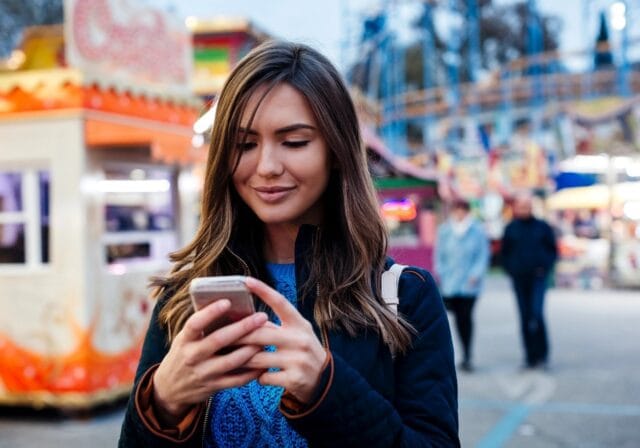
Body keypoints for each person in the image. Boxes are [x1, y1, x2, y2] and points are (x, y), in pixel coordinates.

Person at [118, 40, 459, 447]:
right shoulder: (184, 299)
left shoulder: (405, 297)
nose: (267, 167)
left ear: (335, 150)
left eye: (294, 142)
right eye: (244, 145)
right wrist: (163, 403)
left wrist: (325, 388)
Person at [501, 193, 557, 370]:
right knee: (524, 317)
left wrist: (544, 266)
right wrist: (511, 269)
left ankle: (542, 354)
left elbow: (552, 250)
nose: (524, 209)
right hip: (519, 278)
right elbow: (504, 253)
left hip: (538, 278)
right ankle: (529, 356)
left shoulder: (542, 227)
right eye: (521, 206)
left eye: (527, 206)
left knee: (537, 314)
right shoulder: (511, 228)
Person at [434, 199, 489, 373]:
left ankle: (467, 354)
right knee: (452, 320)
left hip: (469, 285)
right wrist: (441, 274)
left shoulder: (477, 231)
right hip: (450, 283)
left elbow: (482, 255)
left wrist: (476, 274)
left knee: (465, 319)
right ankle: (453, 354)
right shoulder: (445, 231)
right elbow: (439, 255)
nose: (459, 213)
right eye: (456, 209)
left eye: (462, 210)